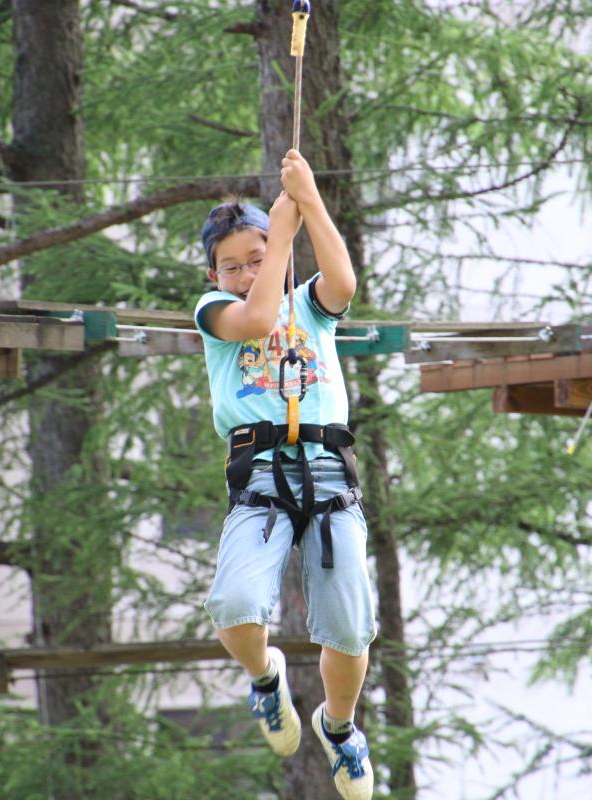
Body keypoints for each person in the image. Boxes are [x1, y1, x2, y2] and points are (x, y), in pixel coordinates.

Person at [194, 150, 375, 800]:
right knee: (237, 605)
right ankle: (266, 679)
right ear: (214, 273)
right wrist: (279, 233)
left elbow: (344, 283)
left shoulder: (311, 305)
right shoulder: (217, 313)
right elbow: (259, 318)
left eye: (256, 258)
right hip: (262, 480)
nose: (245, 273)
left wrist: (309, 202)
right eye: (232, 264)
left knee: (351, 626)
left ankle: (340, 727)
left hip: (328, 474)